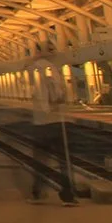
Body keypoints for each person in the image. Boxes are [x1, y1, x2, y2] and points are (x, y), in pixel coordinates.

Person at [27, 64, 78, 206]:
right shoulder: (60, 86)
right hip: (60, 125)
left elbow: (43, 107)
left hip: (42, 127)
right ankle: (68, 196)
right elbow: (62, 102)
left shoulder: (39, 86)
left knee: (40, 161)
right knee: (64, 162)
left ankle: (38, 194)